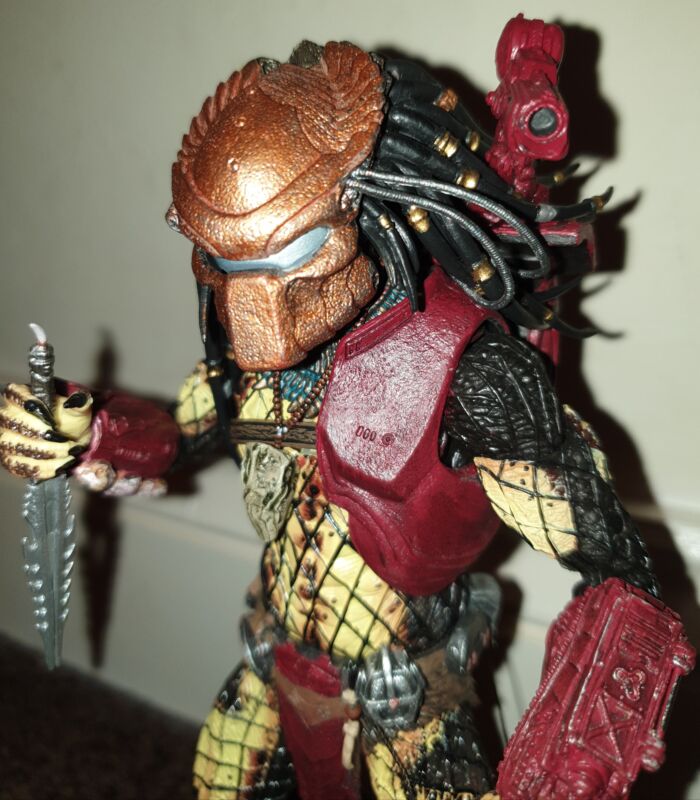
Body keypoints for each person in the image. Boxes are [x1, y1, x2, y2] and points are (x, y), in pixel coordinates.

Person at [0, 17, 693, 800]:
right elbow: (184, 432)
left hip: (410, 701)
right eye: (225, 265)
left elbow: (619, 573)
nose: (256, 325)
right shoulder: (248, 360)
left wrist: (569, 760)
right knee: (220, 782)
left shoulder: (472, 376)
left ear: (365, 210)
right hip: (274, 659)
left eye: (291, 260)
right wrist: (90, 432)